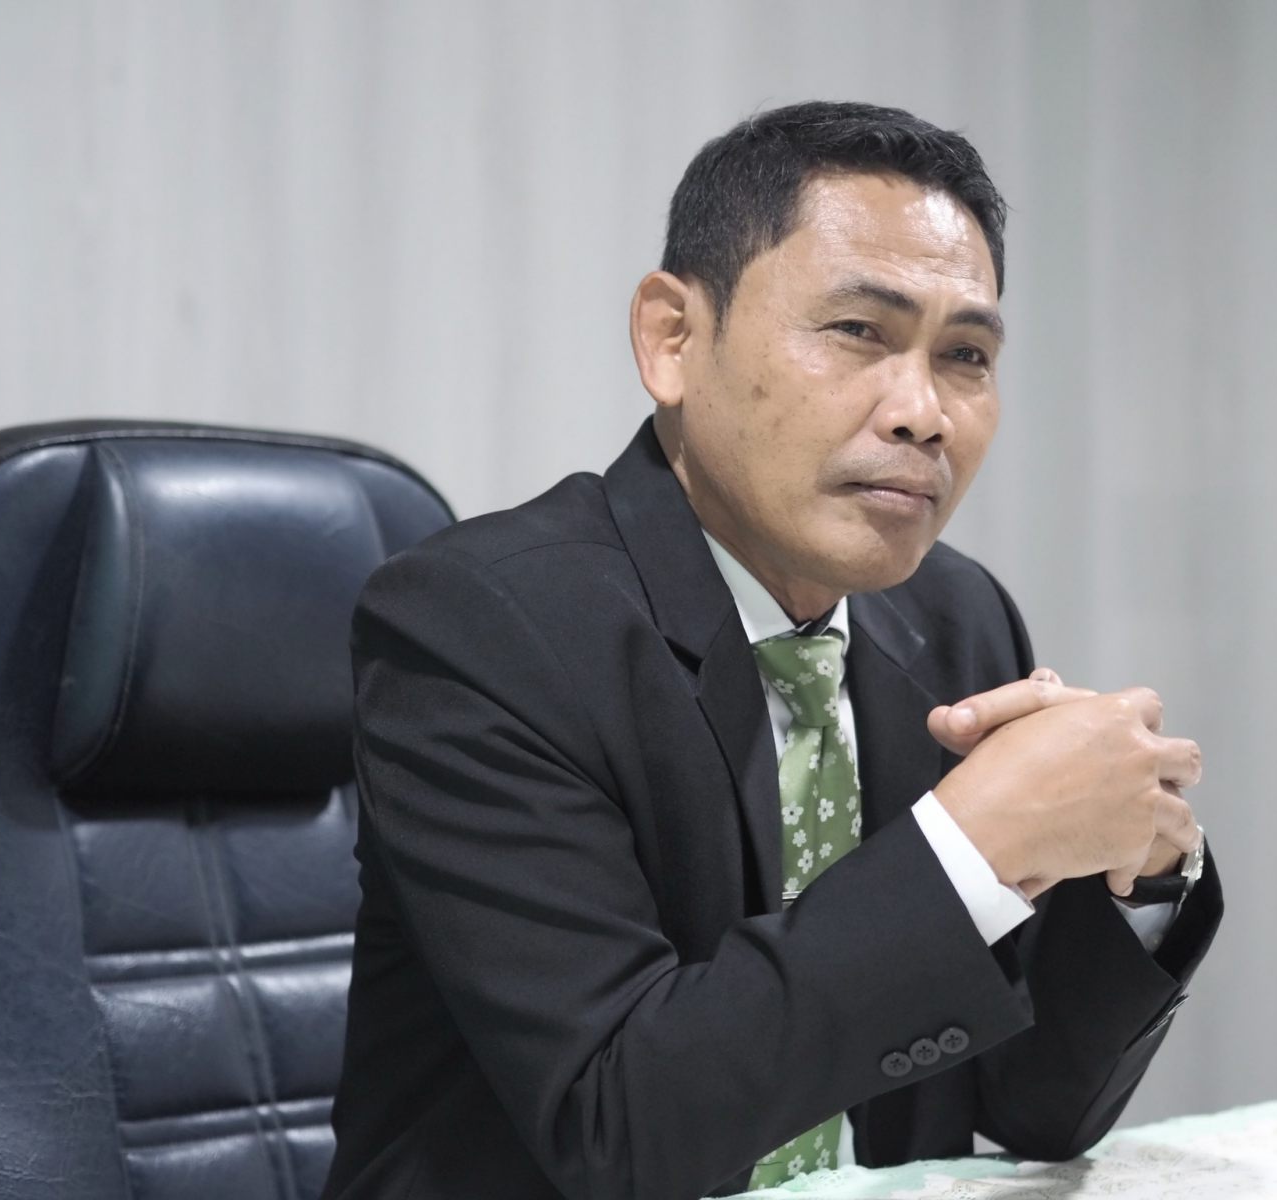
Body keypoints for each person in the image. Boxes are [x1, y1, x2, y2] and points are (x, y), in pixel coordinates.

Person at [322, 100, 1223, 1200]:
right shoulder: (480, 626)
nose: (923, 413)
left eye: (966, 355)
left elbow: (1032, 1107)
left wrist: (1140, 876)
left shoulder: (956, 617)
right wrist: (970, 848)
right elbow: (618, 1126)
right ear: (672, 340)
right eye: (858, 331)